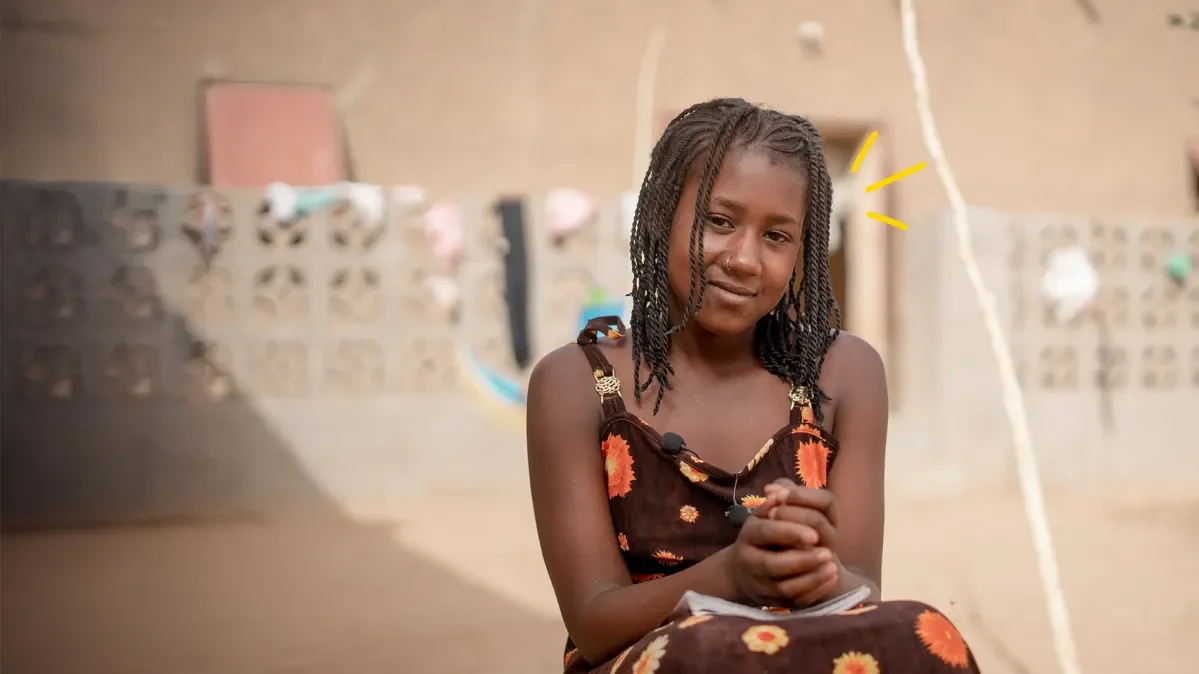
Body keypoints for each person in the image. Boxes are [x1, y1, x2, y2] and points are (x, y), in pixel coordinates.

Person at [527, 98, 980, 673]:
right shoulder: (578, 383)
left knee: (928, 634)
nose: (745, 259)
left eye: (777, 236)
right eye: (719, 221)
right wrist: (731, 576)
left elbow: (862, 590)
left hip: (796, 654)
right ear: (660, 214)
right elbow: (593, 624)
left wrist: (819, 568)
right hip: (658, 659)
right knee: (705, 650)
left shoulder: (842, 373)